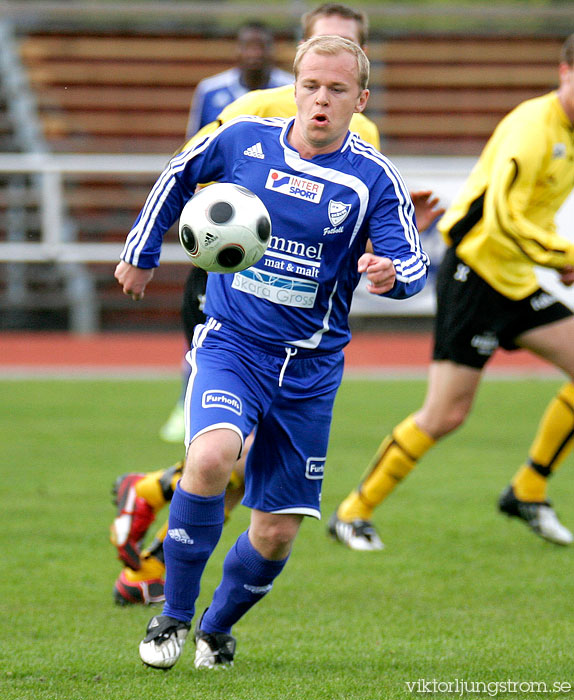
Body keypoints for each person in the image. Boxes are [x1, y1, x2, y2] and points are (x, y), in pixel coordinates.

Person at [109, 2, 444, 606]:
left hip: (307, 322)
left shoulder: (366, 149)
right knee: (221, 453)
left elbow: (362, 227)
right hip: (225, 284)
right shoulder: (249, 116)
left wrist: (390, 257)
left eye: (346, 58)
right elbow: (186, 172)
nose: (322, 91)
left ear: (361, 87)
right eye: (315, 66)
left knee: (244, 478)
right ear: (300, 58)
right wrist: (149, 248)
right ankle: (161, 578)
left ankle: (150, 502)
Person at [328, 32, 574, 552]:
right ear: (564, 72)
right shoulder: (533, 129)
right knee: (445, 415)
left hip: (521, 278)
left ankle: (528, 489)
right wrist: (562, 257)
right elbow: (503, 219)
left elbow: (531, 219)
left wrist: (553, 257)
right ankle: (353, 512)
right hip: (476, 277)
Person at [160, 20, 293, 444]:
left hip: (269, 223)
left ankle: (266, 403)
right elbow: (193, 148)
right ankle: (189, 401)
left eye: (262, 45)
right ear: (237, 51)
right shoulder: (211, 90)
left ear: (273, 50)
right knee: (205, 315)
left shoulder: (294, 89)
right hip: (219, 222)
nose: (254, 52)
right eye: (247, 45)